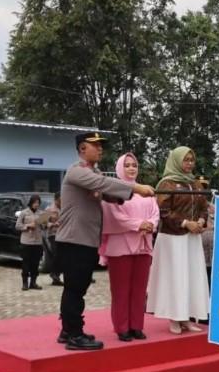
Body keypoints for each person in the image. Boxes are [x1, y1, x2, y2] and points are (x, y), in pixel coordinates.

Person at [55, 132, 155, 351]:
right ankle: (74, 334)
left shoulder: (93, 172)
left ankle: (67, 330)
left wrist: (127, 195)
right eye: (96, 145)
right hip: (74, 240)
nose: (100, 149)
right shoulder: (77, 172)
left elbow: (106, 193)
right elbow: (101, 183)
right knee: (74, 288)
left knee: (77, 287)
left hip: (86, 239)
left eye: (101, 146)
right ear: (83, 148)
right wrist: (135, 188)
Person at [147, 146, 210, 334]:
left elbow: (203, 207)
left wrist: (200, 220)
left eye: (192, 160)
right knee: (175, 278)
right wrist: (184, 223)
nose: (189, 164)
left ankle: (186, 317)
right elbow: (163, 212)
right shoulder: (167, 184)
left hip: (191, 239)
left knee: (191, 277)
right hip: (173, 239)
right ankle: (174, 317)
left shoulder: (195, 184)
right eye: (186, 160)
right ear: (176, 161)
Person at [100, 153, 160, 342]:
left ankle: (136, 325)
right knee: (121, 289)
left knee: (140, 289)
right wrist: (138, 224)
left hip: (143, 244)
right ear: (119, 168)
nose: (132, 168)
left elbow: (155, 213)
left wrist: (150, 223)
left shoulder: (146, 192)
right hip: (121, 246)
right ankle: (122, 327)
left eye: (134, 165)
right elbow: (114, 216)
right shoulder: (113, 190)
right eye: (127, 165)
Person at [16, 194, 44, 291]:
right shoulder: (24, 213)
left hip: (37, 242)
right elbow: (18, 225)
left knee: (35, 264)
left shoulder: (41, 213)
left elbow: (44, 226)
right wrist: (27, 226)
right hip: (26, 242)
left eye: (38, 203)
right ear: (31, 203)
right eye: (35, 203)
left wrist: (46, 223)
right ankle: (25, 283)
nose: (36, 205)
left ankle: (33, 282)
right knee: (26, 263)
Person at [45, 192, 64, 286]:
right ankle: (54, 274)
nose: (61, 201)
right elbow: (41, 222)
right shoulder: (49, 209)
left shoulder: (64, 208)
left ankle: (56, 277)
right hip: (53, 234)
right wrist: (52, 224)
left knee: (61, 255)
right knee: (56, 254)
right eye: (60, 200)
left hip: (63, 235)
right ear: (56, 199)